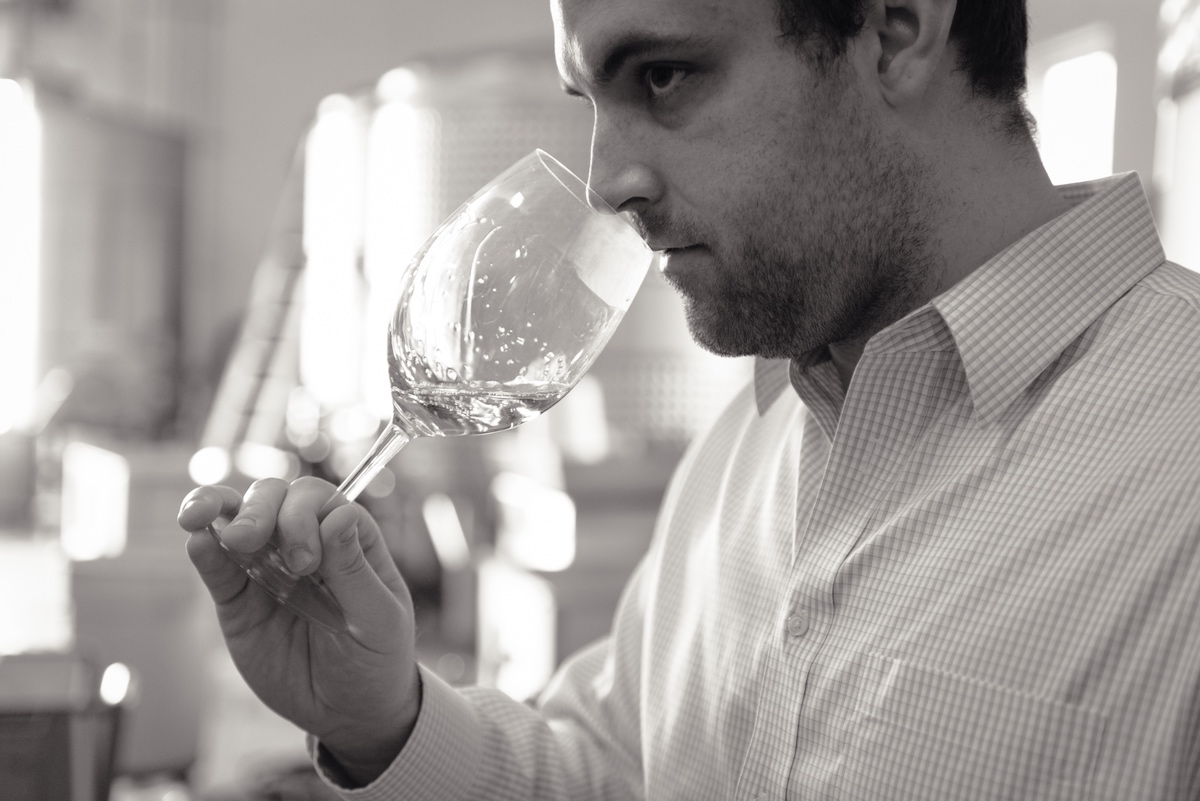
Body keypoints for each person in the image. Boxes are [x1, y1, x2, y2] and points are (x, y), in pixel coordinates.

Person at [177, 0, 1200, 797]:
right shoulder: (747, 449)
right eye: (591, 104)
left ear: (892, 31)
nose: (607, 183)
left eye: (664, 76)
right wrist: (387, 719)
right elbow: (623, 777)